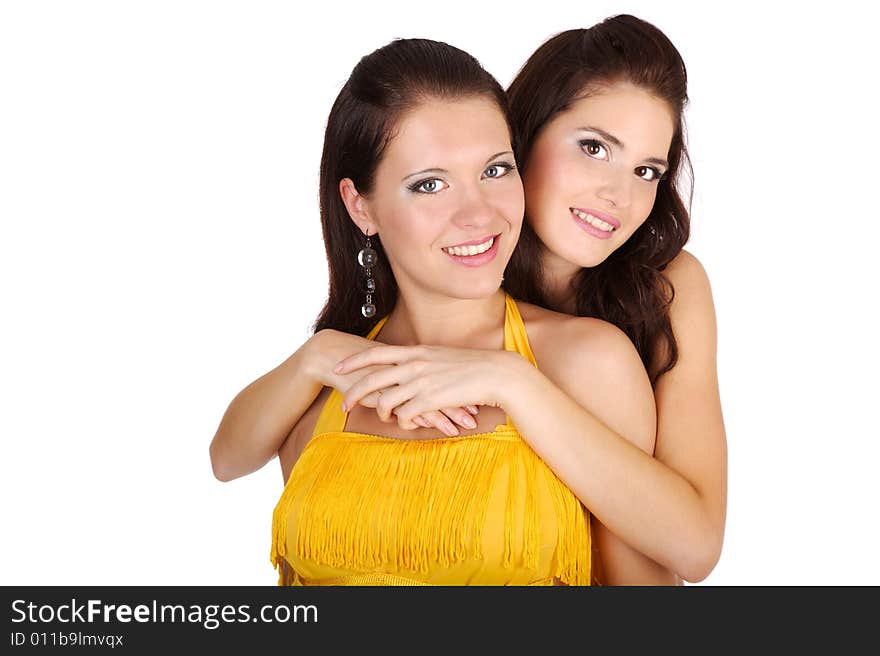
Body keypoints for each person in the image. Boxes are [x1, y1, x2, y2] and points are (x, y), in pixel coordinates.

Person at [212, 15, 725, 584]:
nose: (619, 194)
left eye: (648, 170)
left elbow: (692, 546)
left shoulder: (643, 308)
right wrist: (317, 356)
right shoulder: (345, 373)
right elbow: (225, 459)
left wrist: (512, 379)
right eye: (593, 147)